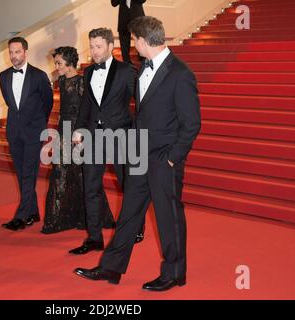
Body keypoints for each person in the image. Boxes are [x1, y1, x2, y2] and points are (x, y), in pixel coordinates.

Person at [74, 16, 201, 291]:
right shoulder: (143, 68)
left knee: (168, 217)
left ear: (143, 41)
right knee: (129, 213)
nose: (132, 44)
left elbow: (192, 124)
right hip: (139, 155)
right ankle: (111, 268)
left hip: (163, 159)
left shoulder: (180, 73)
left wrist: (172, 157)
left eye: (133, 40)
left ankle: (174, 272)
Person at [69, 28, 143, 255]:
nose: (94, 51)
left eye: (98, 46)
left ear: (111, 46)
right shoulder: (89, 72)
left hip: (120, 134)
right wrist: (78, 130)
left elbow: (141, 104)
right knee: (90, 187)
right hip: (93, 136)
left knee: (128, 185)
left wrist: (138, 133)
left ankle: (136, 228)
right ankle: (94, 238)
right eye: (91, 46)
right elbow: (87, 105)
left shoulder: (126, 71)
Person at [42, 46, 115, 234]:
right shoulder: (62, 80)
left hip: (78, 132)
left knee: (83, 176)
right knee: (59, 173)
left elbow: (89, 111)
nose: (56, 66)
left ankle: (93, 217)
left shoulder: (82, 82)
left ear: (69, 63)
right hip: (63, 131)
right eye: (56, 62)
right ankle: (57, 220)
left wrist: (83, 135)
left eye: (59, 63)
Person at [0, 37, 54, 231]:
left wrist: (39, 123)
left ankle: (21, 216)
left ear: (25, 53)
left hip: (33, 132)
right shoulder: (3, 76)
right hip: (14, 132)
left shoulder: (39, 75)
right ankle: (33, 212)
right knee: (22, 173)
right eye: (11, 52)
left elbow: (48, 102)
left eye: (17, 52)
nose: (14, 56)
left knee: (29, 174)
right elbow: (11, 104)